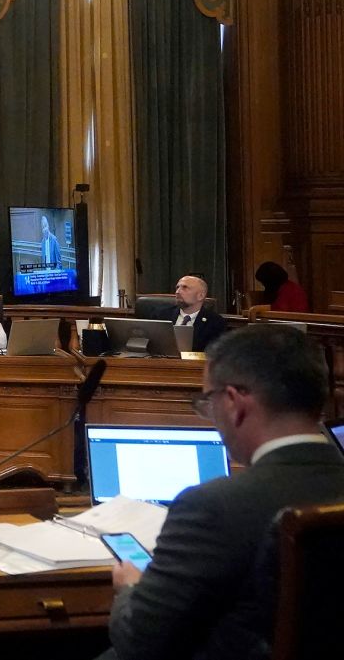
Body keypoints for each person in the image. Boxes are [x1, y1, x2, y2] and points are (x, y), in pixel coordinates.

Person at [102, 325, 344, 660]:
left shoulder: (212, 506)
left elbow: (139, 640)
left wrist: (130, 586)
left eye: (208, 401)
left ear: (233, 402)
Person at [155, 274, 225, 352]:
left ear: (200, 296)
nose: (177, 292)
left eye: (185, 288)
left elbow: (214, 354)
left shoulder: (215, 322)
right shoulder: (161, 315)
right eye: (177, 287)